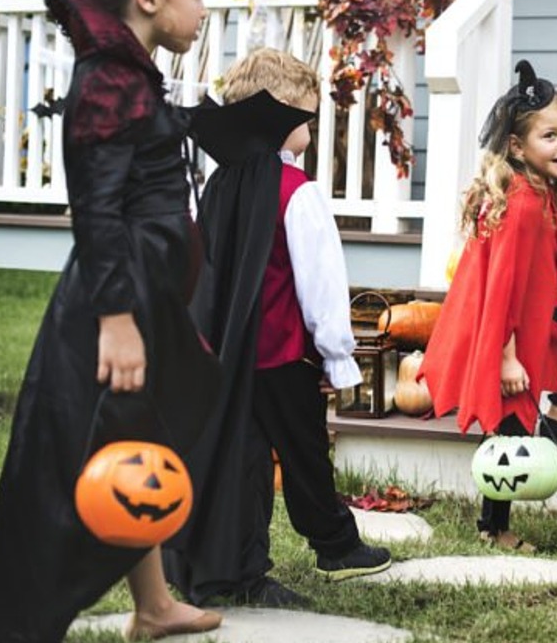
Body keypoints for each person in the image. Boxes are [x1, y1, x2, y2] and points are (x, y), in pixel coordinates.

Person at [0, 0, 222, 643]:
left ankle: (152, 606)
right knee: (81, 460)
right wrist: (117, 323)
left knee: (136, 438)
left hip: (145, 293)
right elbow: (95, 209)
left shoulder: (132, 74)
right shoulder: (107, 82)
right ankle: (20, 619)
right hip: (114, 302)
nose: (204, 9)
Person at [163, 47, 391, 608]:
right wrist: (340, 359)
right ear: (281, 116)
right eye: (307, 115)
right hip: (288, 358)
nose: (312, 124)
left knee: (244, 461)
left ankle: (242, 561)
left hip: (232, 356)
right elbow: (320, 286)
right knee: (305, 453)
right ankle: (334, 546)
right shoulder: (299, 194)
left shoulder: (219, 187)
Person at [420, 60, 557, 553]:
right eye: (549, 136)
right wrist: (507, 356)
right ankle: (494, 527)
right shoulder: (524, 204)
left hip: (526, 316)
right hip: (501, 327)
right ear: (517, 147)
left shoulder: (535, 191)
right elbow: (504, 285)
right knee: (508, 425)